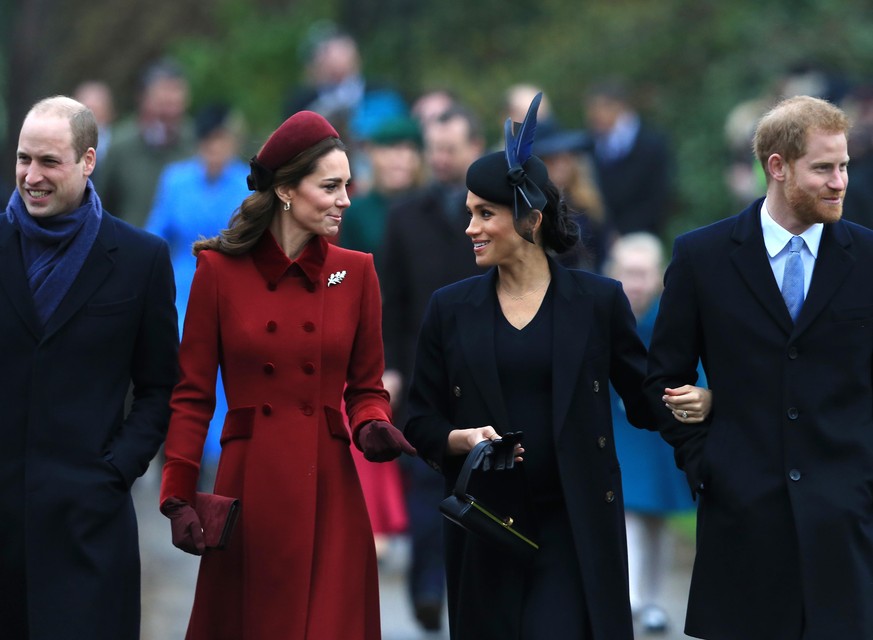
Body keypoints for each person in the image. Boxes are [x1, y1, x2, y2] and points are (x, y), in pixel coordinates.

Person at [403, 93, 710, 640]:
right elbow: (420, 419)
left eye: (485, 213)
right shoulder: (450, 310)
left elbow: (645, 399)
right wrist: (462, 438)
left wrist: (705, 415)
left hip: (576, 524)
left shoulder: (597, 302)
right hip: (488, 524)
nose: (470, 227)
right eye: (469, 212)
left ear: (531, 219)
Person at [159, 110, 416, 639]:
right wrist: (178, 491)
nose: (346, 198)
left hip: (329, 485)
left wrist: (372, 424)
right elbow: (192, 395)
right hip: (248, 489)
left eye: (348, 184)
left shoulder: (357, 272)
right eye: (330, 186)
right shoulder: (217, 271)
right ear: (285, 190)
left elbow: (366, 388)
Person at [646, 95, 873, 639]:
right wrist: (709, 466)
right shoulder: (701, 256)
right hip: (741, 522)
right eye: (823, 168)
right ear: (777, 166)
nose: (839, 181)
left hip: (845, 523)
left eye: (843, 166)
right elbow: (661, 380)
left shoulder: (868, 257)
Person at [0, 96, 178, 638]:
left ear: (88, 161)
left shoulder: (140, 259)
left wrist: (116, 470)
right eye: (24, 159)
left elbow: (161, 387)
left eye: (50, 162)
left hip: (89, 529)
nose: (32, 176)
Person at [379, 102, 486, 631]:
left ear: (474, 148)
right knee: (424, 483)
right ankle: (427, 583)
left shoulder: (495, 215)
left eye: (450, 149)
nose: (440, 159)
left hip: (486, 369)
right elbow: (391, 303)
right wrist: (392, 368)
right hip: (425, 372)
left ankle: (469, 587)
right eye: (434, 150)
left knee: (479, 483)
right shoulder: (405, 217)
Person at [145, 103, 251, 492]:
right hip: (181, 293)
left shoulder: (245, 183)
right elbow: (155, 233)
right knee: (181, 376)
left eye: (223, 142)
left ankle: (217, 463)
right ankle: (176, 458)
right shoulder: (176, 180)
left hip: (231, 293)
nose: (217, 150)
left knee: (224, 379)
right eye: (211, 142)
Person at [604, 232, 697, 635]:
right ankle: (630, 597)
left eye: (643, 273)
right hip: (615, 425)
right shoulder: (601, 309)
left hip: (658, 431)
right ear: (614, 272)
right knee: (628, 512)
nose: (636, 283)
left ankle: (652, 599)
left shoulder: (670, 314)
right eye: (628, 273)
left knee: (654, 517)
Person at [95, 58, 196, 227]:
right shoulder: (120, 146)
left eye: (175, 105)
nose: (169, 113)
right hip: (130, 246)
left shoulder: (196, 143)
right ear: (143, 99)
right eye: (163, 105)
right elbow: (101, 207)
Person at [585, 78, 673, 237]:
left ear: (619, 107)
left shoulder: (651, 144)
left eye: (599, 107)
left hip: (642, 236)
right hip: (600, 239)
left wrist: (625, 232)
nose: (593, 115)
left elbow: (658, 198)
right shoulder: (590, 144)